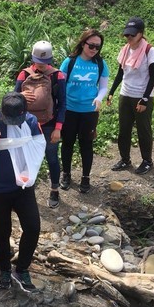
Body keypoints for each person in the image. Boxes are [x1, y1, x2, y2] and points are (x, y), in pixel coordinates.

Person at [0, 92, 46, 292]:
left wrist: (28, 176)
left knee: (33, 227)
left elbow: (37, 147)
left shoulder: (32, 121)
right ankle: (5, 270)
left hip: (22, 186)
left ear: (24, 112)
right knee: (2, 231)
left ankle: (22, 268)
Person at [14, 40, 67, 209]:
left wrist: (58, 128)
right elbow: (12, 99)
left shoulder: (57, 76)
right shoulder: (24, 74)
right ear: (33, 59)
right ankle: (24, 190)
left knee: (52, 158)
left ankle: (54, 190)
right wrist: (21, 95)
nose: (42, 65)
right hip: (27, 125)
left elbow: (62, 104)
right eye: (39, 62)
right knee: (25, 158)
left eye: (45, 62)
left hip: (49, 124)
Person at [59, 28, 109, 193]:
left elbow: (103, 87)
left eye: (98, 47)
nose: (94, 49)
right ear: (83, 43)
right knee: (67, 143)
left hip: (89, 111)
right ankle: (66, 174)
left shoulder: (100, 64)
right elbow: (60, 85)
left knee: (86, 144)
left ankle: (85, 177)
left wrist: (99, 98)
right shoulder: (70, 62)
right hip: (70, 110)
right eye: (91, 45)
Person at [108, 17, 154, 175]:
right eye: (127, 35)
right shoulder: (125, 50)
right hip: (126, 94)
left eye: (132, 35)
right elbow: (120, 72)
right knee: (124, 129)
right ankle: (125, 159)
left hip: (142, 96)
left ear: (141, 34)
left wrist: (144, 99)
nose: (129, 38)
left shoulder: (149, 50)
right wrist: (112, 92)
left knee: (143, 130)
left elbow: (153, 76)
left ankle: (147, 161)